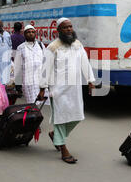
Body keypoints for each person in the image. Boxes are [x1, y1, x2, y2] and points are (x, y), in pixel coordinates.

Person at [37, 18, 95, 164]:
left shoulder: (77, 44)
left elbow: (85, 62)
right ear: (59, 31)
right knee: (61, 118)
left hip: (74, 88)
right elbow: (45, 69)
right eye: (65, 27)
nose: (69, 29)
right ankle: (63, 149)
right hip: (58, 89)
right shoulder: (52, 47)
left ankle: (55, 134)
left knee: (77, 116)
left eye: (70, 27)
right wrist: (43, 88)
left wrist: (90, 80)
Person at [14, 25, 45, 104]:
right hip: (28, 81)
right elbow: (17, 67)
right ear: (24, 34)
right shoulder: (20, 48)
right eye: (28, 32)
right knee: (32, 105)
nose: (31, 34)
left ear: (35, 33)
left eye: (32, 32)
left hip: (40, 81)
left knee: (42, 104)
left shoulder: (41, 45)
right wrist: (18, 84)